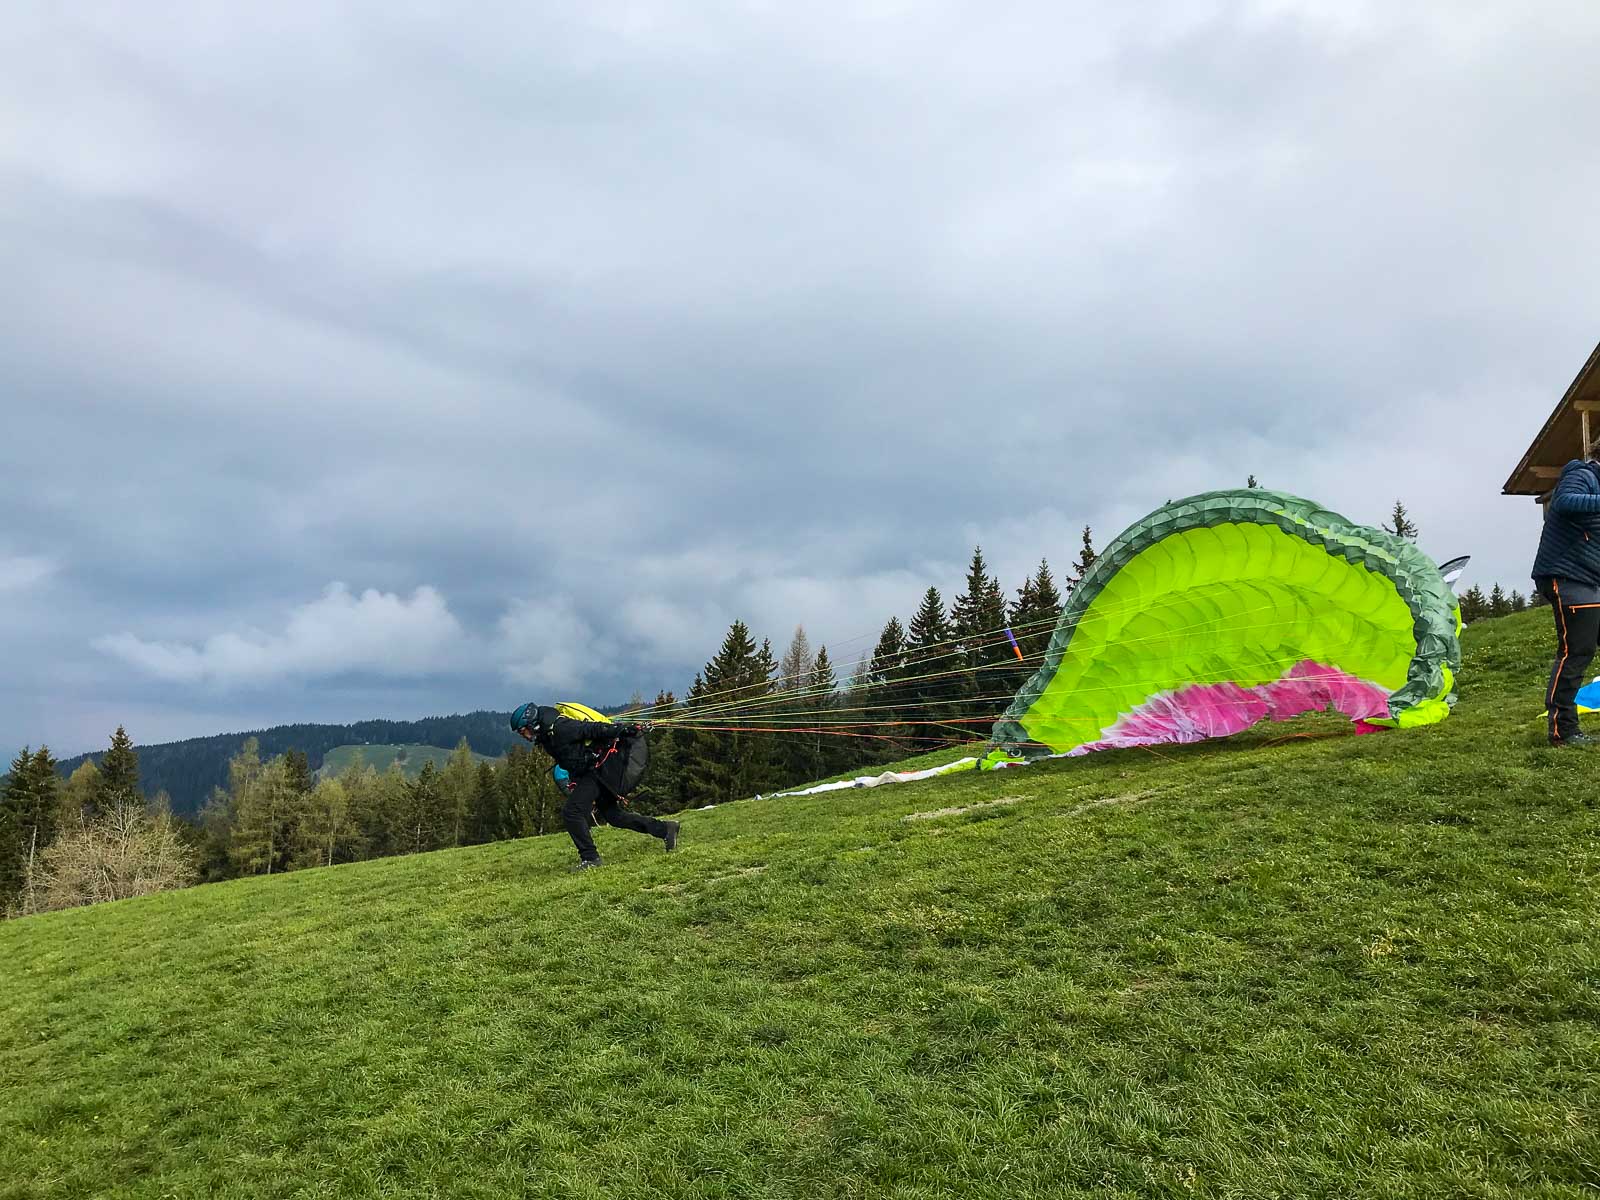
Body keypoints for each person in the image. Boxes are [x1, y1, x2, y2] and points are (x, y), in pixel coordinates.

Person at [509, 703, 679, 868]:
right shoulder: (548, 736)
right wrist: (576, 782)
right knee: (613, 816)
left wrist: (622, 730)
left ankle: (590, 858)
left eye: (523, 731)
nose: (523, 736)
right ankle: (665, 829)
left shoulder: (561, 727)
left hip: (600, 769)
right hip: (593, 773)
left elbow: (591, 729)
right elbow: (571, 759)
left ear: (532, 724)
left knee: (572, 812)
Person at [1531, 456, 1600, 747]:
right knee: (1577, 651)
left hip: (1591, 580)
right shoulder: (1581, 474)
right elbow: (1564, 502)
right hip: (1568, 577)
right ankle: (1564, 730)